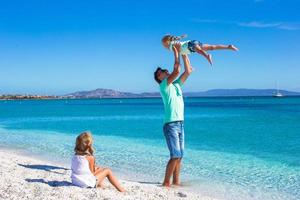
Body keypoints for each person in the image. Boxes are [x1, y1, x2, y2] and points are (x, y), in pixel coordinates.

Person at [154, 43, 192, 187]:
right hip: (170, 124)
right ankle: (166, 184)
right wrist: (175, 51)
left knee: (180, 156)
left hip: (180, 123)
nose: (166, 70)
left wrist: (184, 52)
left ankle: (176, 182)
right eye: (163, 70)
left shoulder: (176, 84)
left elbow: (188, 71)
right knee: (175, 155)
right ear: (160, 77)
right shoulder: (164, 85)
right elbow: (177, 69)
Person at [161, 34, 238, 65]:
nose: (163, 47)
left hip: (190, 45)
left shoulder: (172, 47)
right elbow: (184, 55)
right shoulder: (175, 43)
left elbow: (178, 55)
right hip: (192, 43)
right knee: (212, 47)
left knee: (200, 50)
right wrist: (189, 65)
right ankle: (228, 47)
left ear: (166, 43)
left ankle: (207, 55)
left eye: (163, 45)